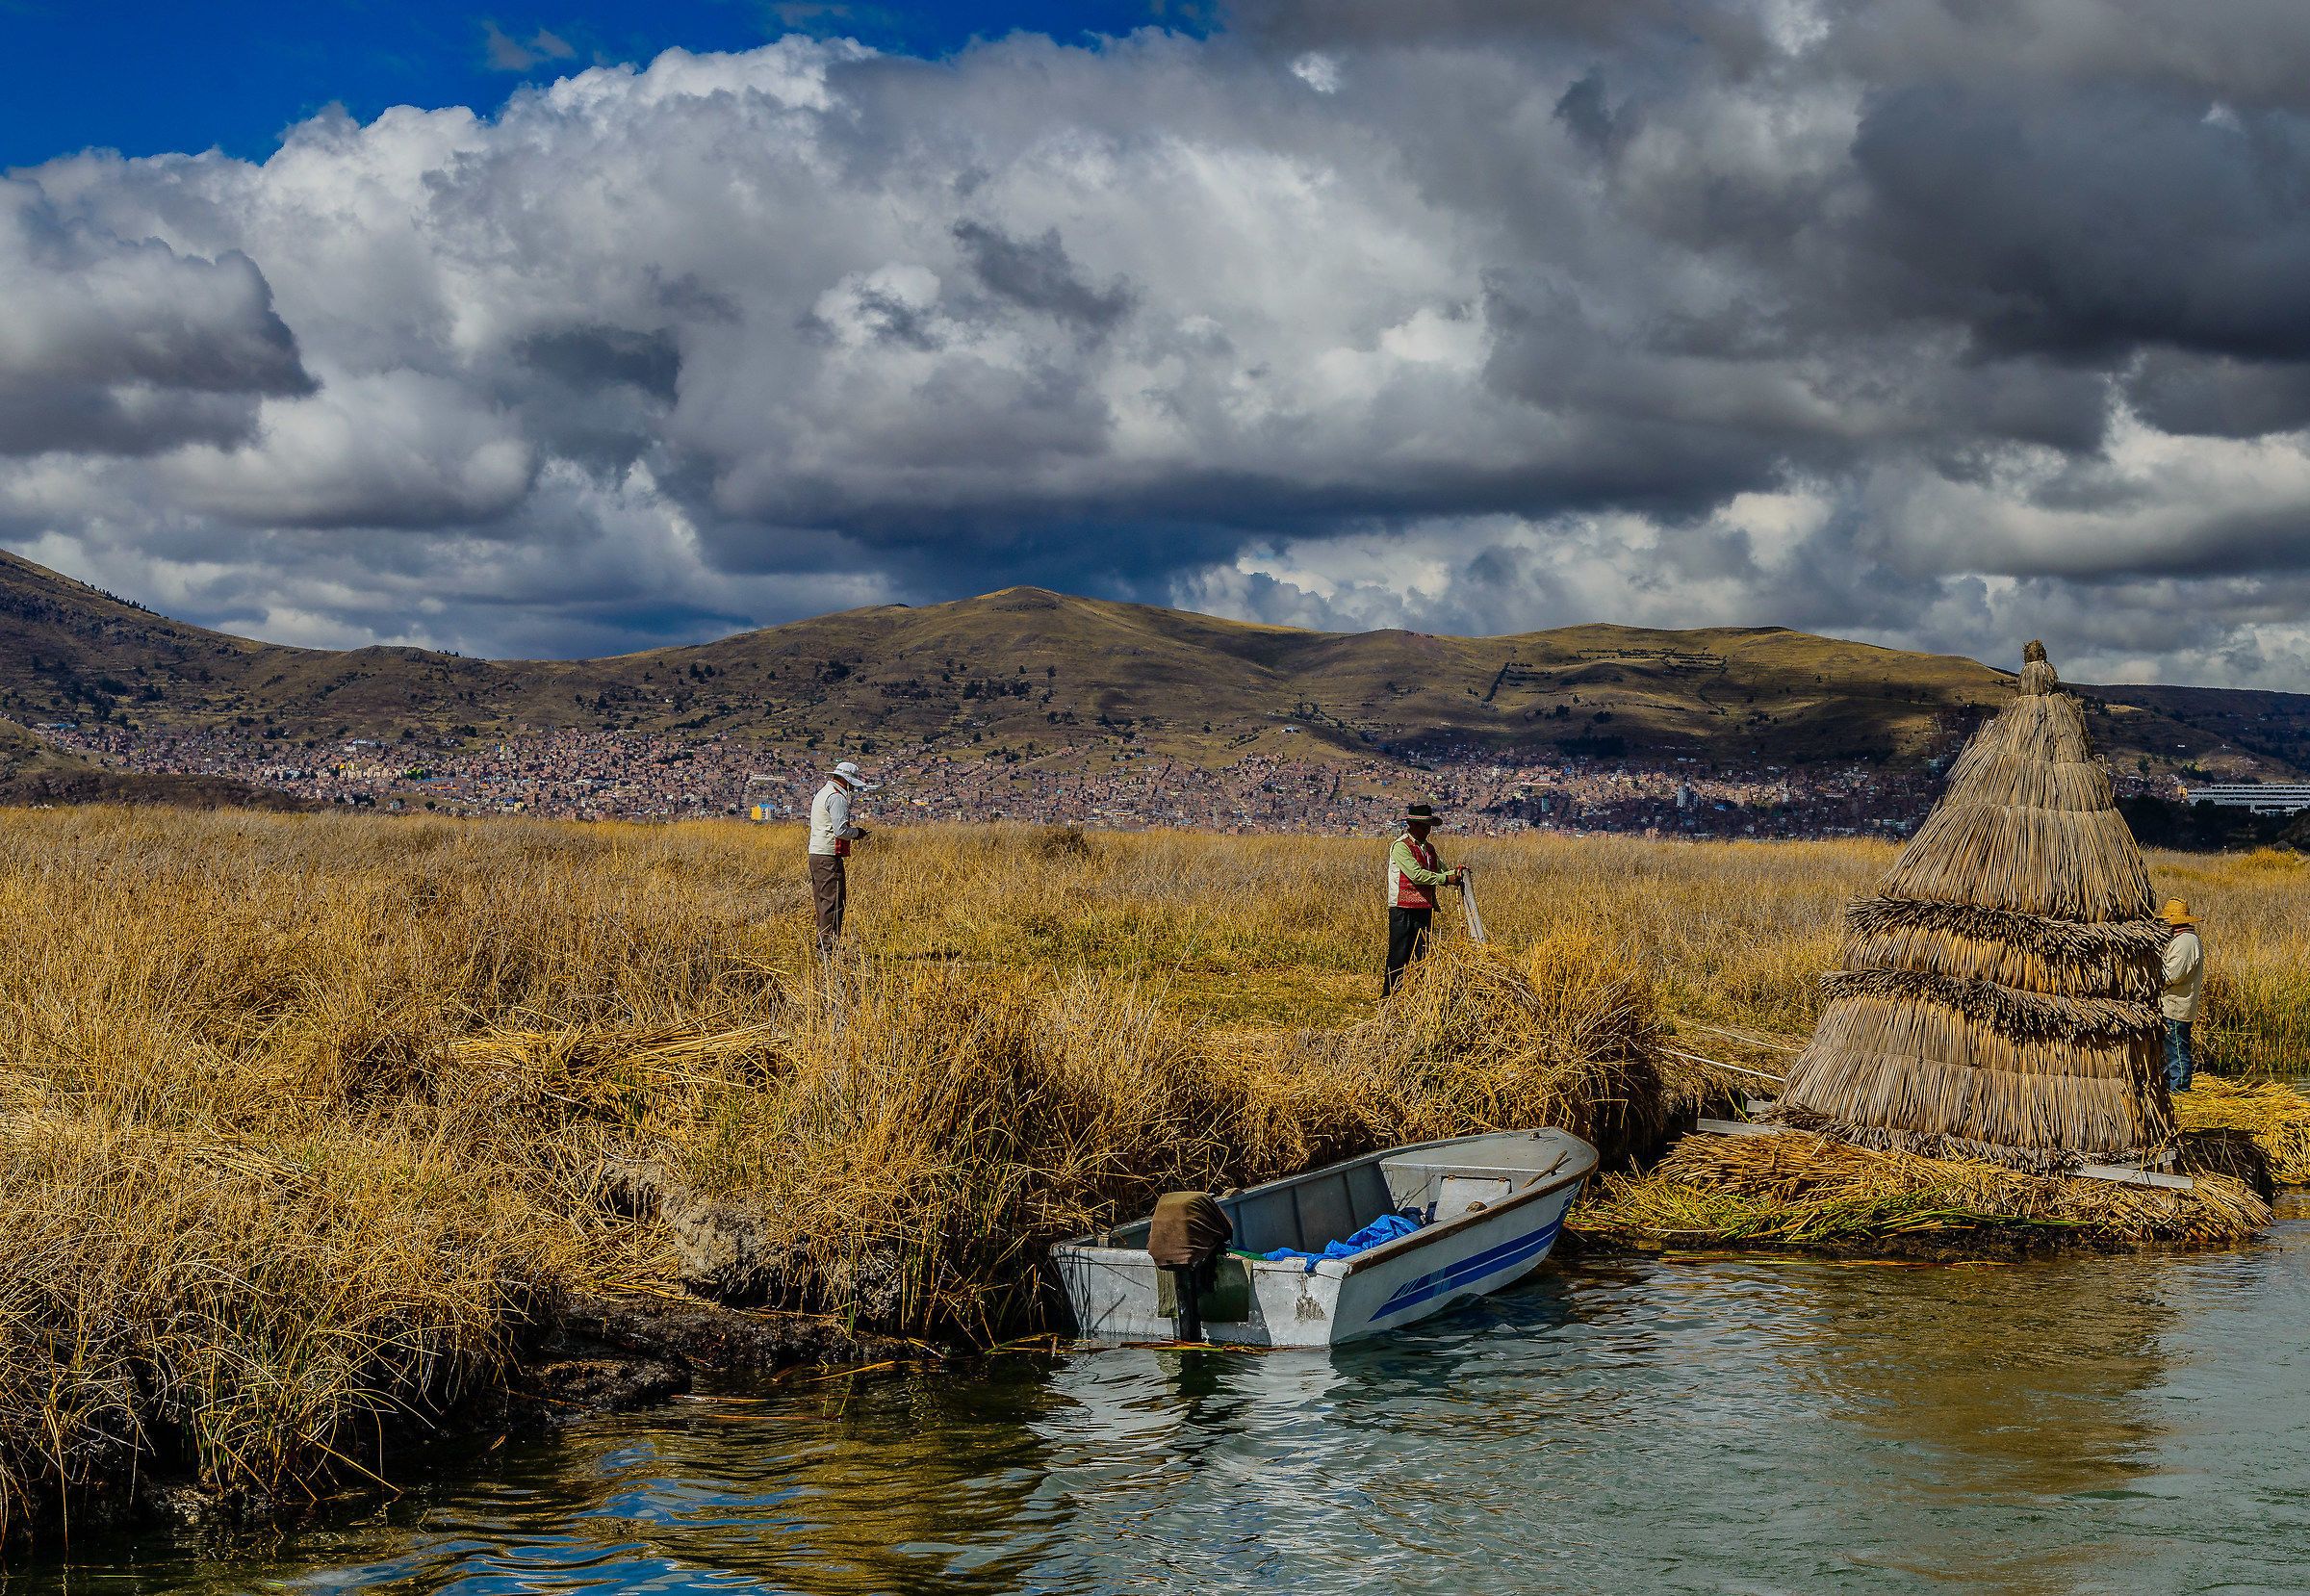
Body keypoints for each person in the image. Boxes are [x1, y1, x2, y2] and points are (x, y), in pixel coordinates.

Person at [1383, 802, 1463, 997]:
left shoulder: (1429, 849)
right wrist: (1446, 879)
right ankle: (1390, 997)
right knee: (1399, 954)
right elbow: (1416, 875)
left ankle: (1418, 996)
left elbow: (1441, 871)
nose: (1427, 830)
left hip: (1424, 907)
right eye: (1424, 826)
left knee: (1423, 954)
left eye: (1429, 826)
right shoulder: (1401, 847)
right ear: (1412, 825)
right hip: (1402, 908)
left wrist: (1457, 873)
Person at [808, 759, 877, 954]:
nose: (852, 789)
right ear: (846, 781)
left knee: (823, 902)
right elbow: (841, 831)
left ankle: (823, 945)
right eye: (851, 784)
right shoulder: (836, 797)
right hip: (829, 855)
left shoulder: (823, 793)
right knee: (833, 902)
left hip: (816, 853)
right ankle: (827, 949)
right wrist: (857, 833)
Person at [2159, 899, 2204, 1093]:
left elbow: (2173, 975)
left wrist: (2152, 978)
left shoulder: (2185, 942)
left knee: (2177, 1050)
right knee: (2171, 1049)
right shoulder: (2183, 940)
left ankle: (2180, 1088)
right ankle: (2171, 1085)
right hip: (2174, 1005)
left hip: (2177, 1007)